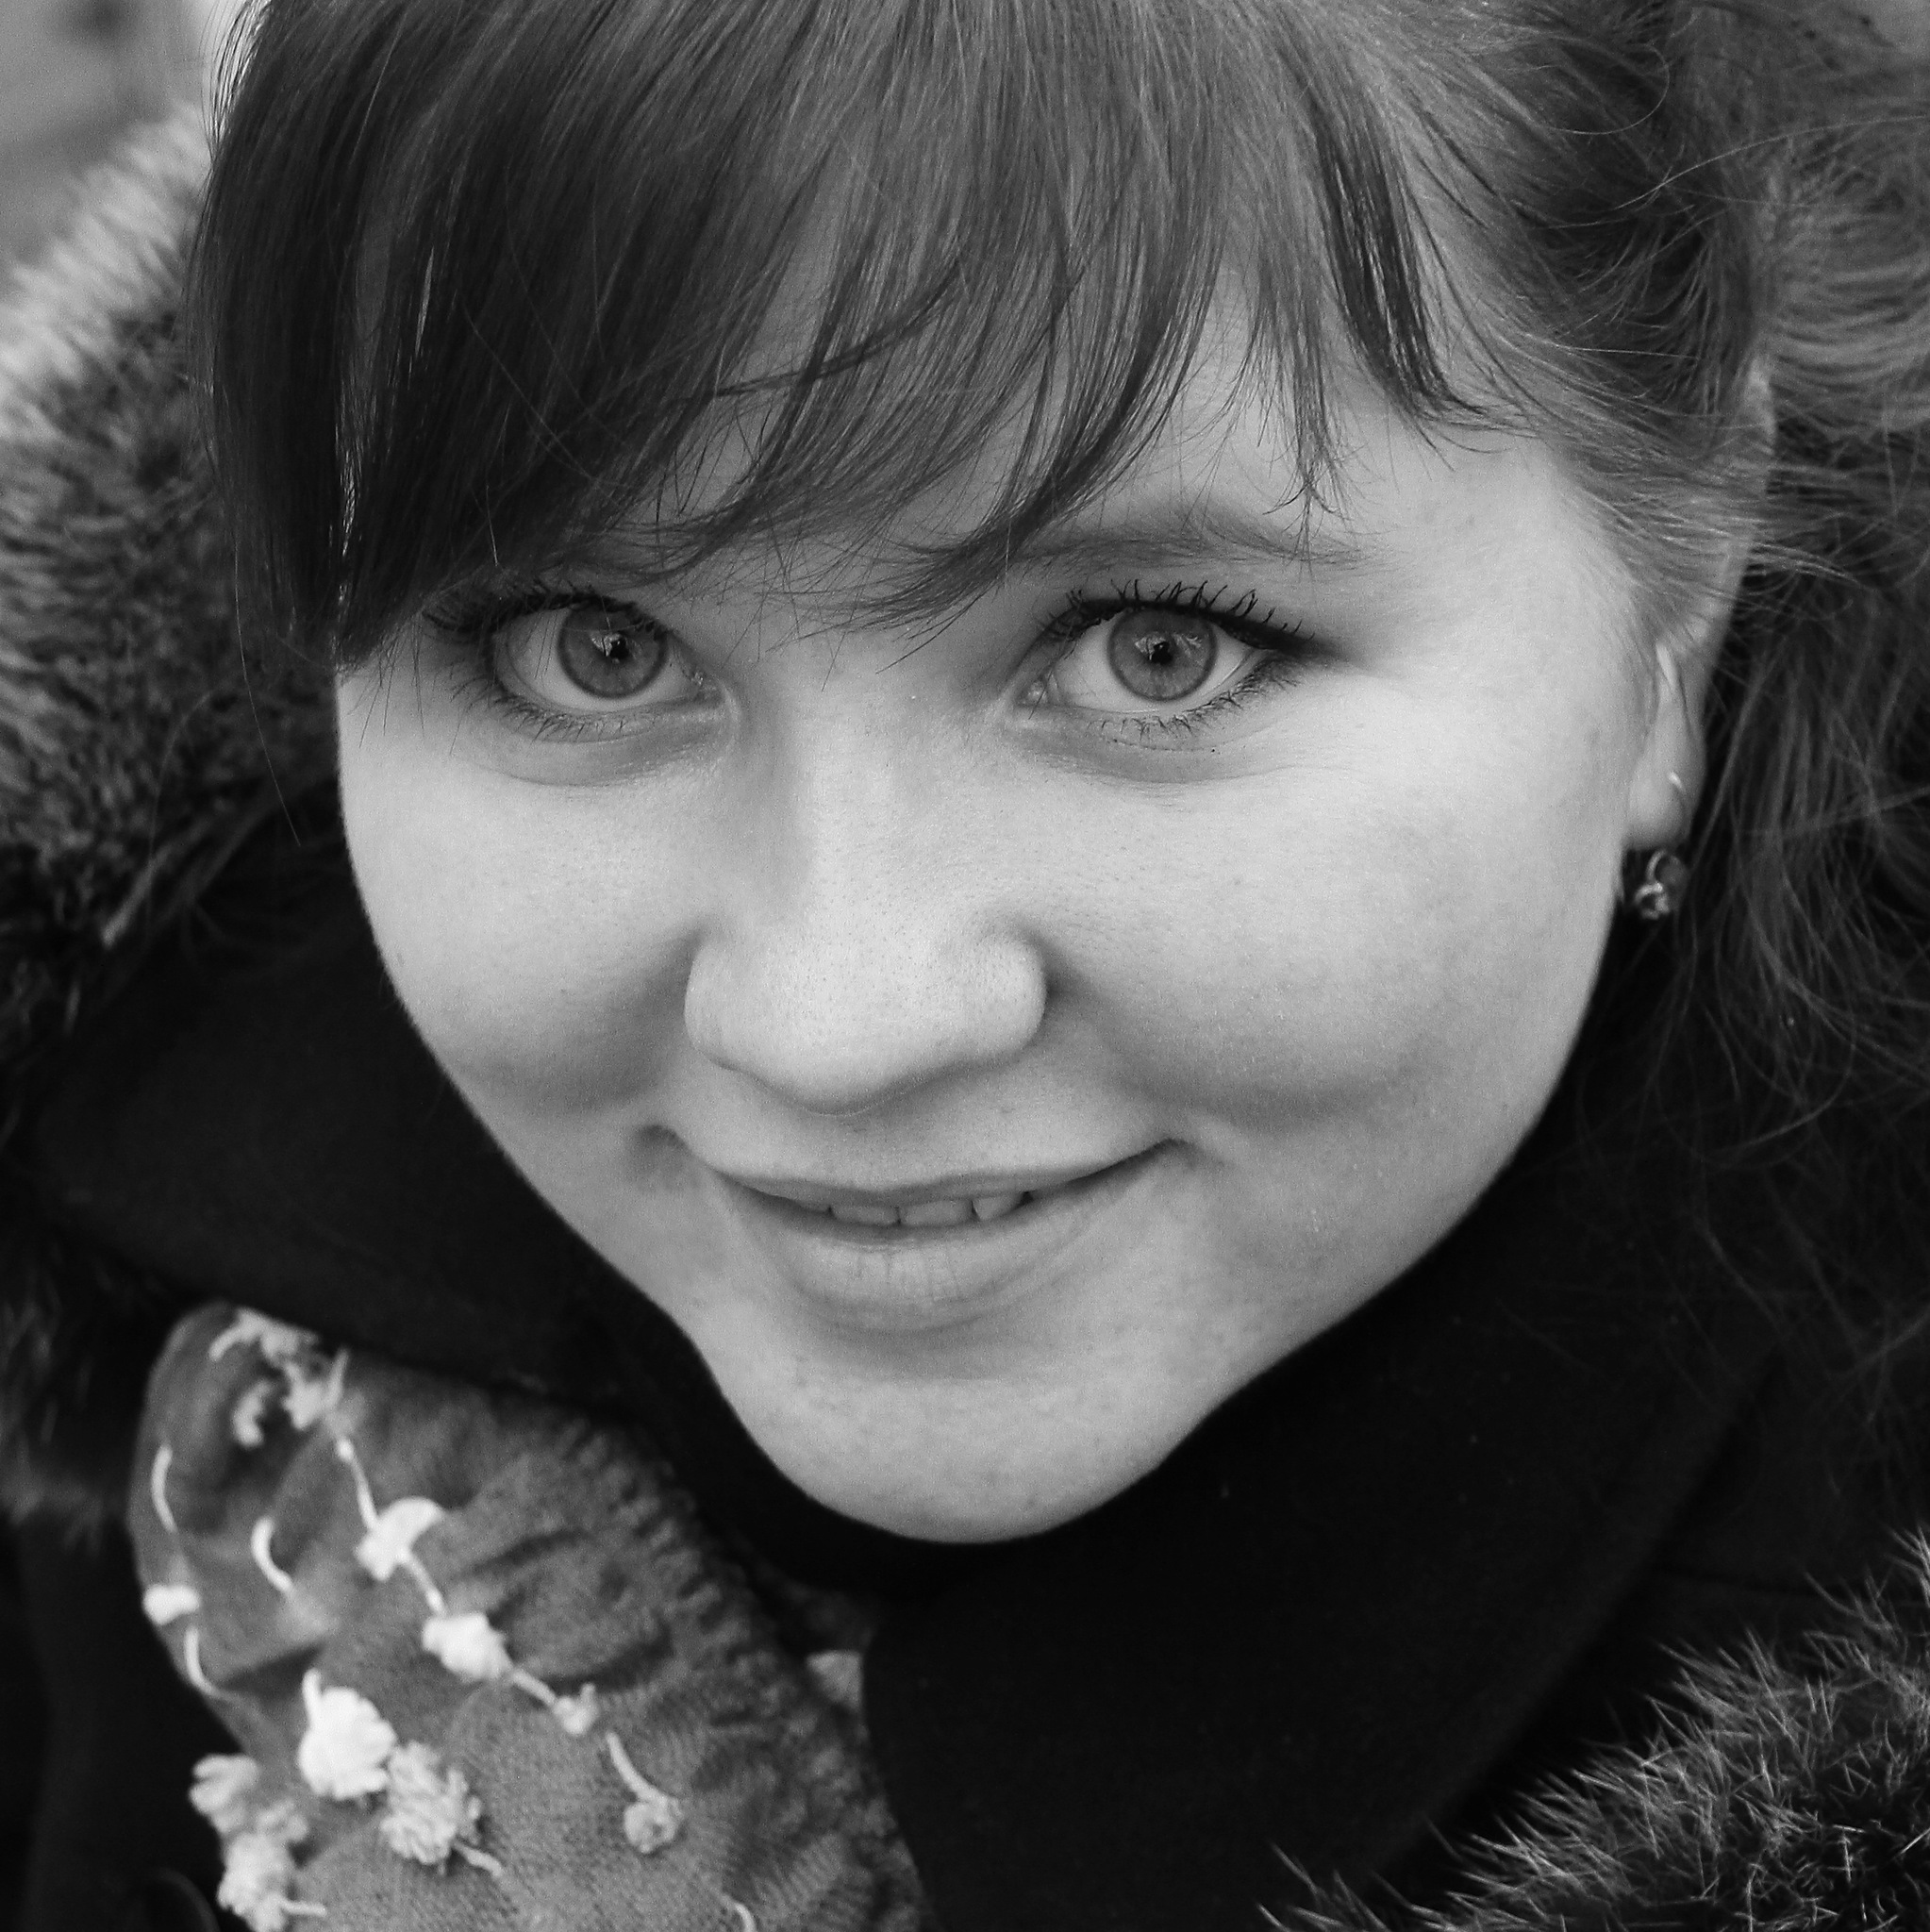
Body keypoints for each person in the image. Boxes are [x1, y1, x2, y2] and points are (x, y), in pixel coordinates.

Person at [3, 0, 1929, 1926]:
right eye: (591, 648)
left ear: (1676, 591)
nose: (838, 1024)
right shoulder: (176, 1318)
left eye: (1154, 650)